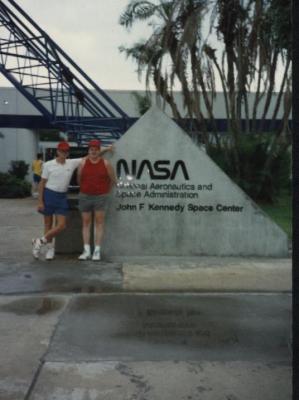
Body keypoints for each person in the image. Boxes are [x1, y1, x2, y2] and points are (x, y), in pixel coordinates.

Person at [32, 140, 111, 260]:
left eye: (66, 151)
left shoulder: (72, 163)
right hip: (49, 195)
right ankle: (49, 249)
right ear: (57, 151)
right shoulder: (48, 164)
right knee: (48, 223)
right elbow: (42, 184)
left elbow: (91, 155)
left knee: (62, 225)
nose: (64, 153)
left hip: (62, 196)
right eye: (62, 151)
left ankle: (39, 240)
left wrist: (106, 149)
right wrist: (40, 201)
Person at [77, 139, 117, 261]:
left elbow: (113, 180)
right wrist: (85, 189)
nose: (93, 152)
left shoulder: (106, 163)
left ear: (99, 151)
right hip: (85, 196)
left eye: (96, 150)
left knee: (99, 223)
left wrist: (106, 192)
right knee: (86, 223)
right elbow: (79, 179)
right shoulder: (83, 163)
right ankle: (86, 251)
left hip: (101, 197)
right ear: (88, 150)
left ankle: (97, 251)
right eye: (91, 149)